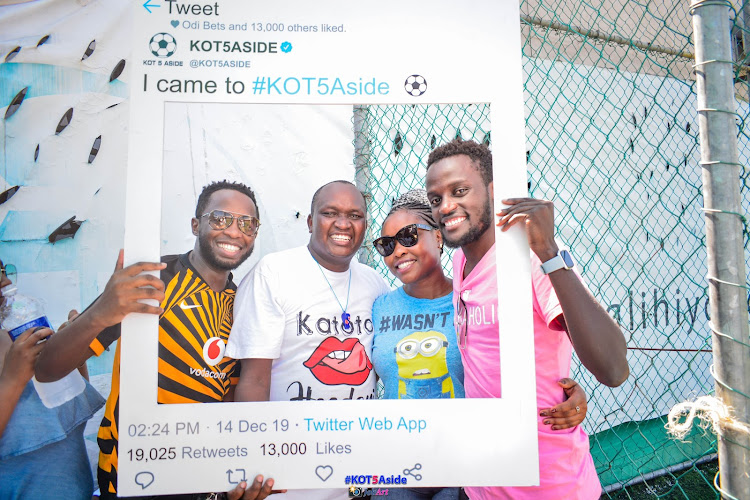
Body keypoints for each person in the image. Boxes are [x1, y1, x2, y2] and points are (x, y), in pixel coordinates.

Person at [35, 181, 277, 500]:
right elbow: (47, 369)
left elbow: (231, 396)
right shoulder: (156, 278)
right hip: (134, 476)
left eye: (247, 223)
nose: (234, 231)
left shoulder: (245, 300)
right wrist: (100, 313)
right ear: (196, 224)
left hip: (204, 481)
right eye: (220, 218)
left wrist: (237, 472)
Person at [425, 139, 629, 499]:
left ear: (493, 191)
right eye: (436, 198)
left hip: (549, 484)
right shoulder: (460, 260)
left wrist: (549, 251)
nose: (446, 206)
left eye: (459, 190)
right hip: (485, 481)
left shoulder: (531, 259)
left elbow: (613, 369)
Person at [370, 190, 589, 500]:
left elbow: (508, 360)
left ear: (439, 237)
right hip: (401, 465)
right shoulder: (379, 306)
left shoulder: (470, 297)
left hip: (465, 461)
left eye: (408, 236)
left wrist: (566, 391)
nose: (397, 251)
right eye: (386, 245)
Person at [227, 180, 391, 500]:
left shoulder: (375, 284)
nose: (343, 223)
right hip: (288, 475)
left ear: (365, 225)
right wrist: (250, 463)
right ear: (311, 221)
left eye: (354, 215)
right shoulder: (274, 273)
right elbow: (253, 379)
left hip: (356, 470)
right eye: (330, 213)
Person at [0, 259, 106, 499]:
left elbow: (70, 404)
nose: (5, 282)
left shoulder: (16, 335)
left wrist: (74, 354)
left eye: (4, 271)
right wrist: (12, 380)